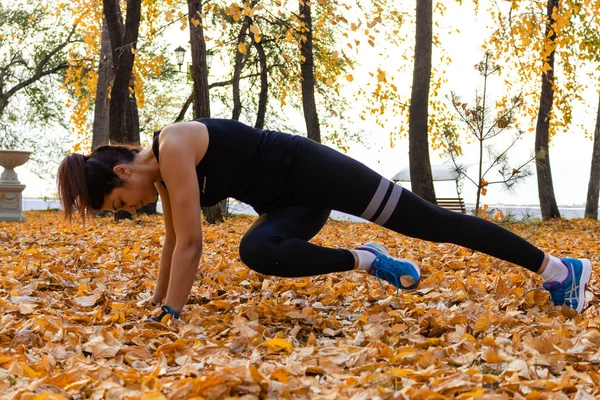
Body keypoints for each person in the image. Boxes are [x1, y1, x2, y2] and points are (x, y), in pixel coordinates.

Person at [57, 119, 592, 321]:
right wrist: (155, 307)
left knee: (434, 224)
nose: (136, 209)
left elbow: (192, 244)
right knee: (257, 250)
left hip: (319, 173)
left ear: (124, 171)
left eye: (123, 203)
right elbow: (172, 244)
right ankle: (364, 259)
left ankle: (560, 271)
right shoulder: (164, 171)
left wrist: (172, 316)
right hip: (292, 208)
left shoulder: (172, 146)